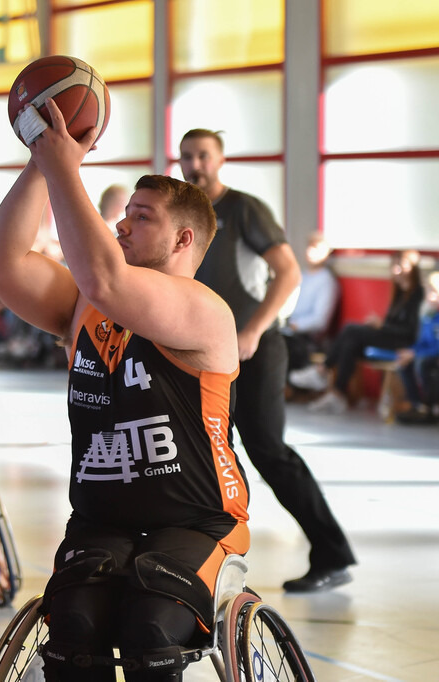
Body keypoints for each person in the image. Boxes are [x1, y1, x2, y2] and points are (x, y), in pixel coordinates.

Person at [0, 100, 248, 681]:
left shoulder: (204, 311)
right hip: (103, 519)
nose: (122, 225)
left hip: (197, 521)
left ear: (182, 239)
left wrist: (64, 168)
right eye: (124, 214)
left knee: (150, 630)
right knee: (73, 630)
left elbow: (105, 278)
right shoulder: (87, 305)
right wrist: (39, 162)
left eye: (141, 217)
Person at [179, 127, 356, 593]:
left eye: (203, 156)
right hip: (204, 352)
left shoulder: (244, 209)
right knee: (203, 452)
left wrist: (253, 330)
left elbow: (289, 271)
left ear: (220, 160)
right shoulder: (183, 213)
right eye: (187, 156)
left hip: (254, 348)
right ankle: (205, 558)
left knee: (268, 450)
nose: (195, 165)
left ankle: (332, 553)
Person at [305, 249, 424, 413]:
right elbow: (392, 323)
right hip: (389, 336)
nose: (396, 270)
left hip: (403, 342)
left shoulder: (418, 294)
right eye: (394, 265)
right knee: (350, 344)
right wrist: (380, 325)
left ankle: (322, 370)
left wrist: (381, 326)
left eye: (401, 265)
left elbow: (410, 331)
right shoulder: (398, 292)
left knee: (350, 329)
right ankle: (337, 394)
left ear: (412, 268)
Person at [284, 234, 341, 391]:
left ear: (326, 254)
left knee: (282, 343)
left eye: (316, 249)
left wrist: (295, 326)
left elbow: (320, 321)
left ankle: (290, 385)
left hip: (306, 337)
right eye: (309, 247)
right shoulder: (300, 276)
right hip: (288, 326)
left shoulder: (326, 281)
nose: (310, 252)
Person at [394, 270, 439, 424]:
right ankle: (417, 405)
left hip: (433, 357)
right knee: (404, 363)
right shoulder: (428, 316)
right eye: (428, 292)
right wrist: (411, 351)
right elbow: (423, 341)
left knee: (424, 364)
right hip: (427, 353)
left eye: (435, 292)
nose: (430, 296)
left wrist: (416, 354)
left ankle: (432, 406)